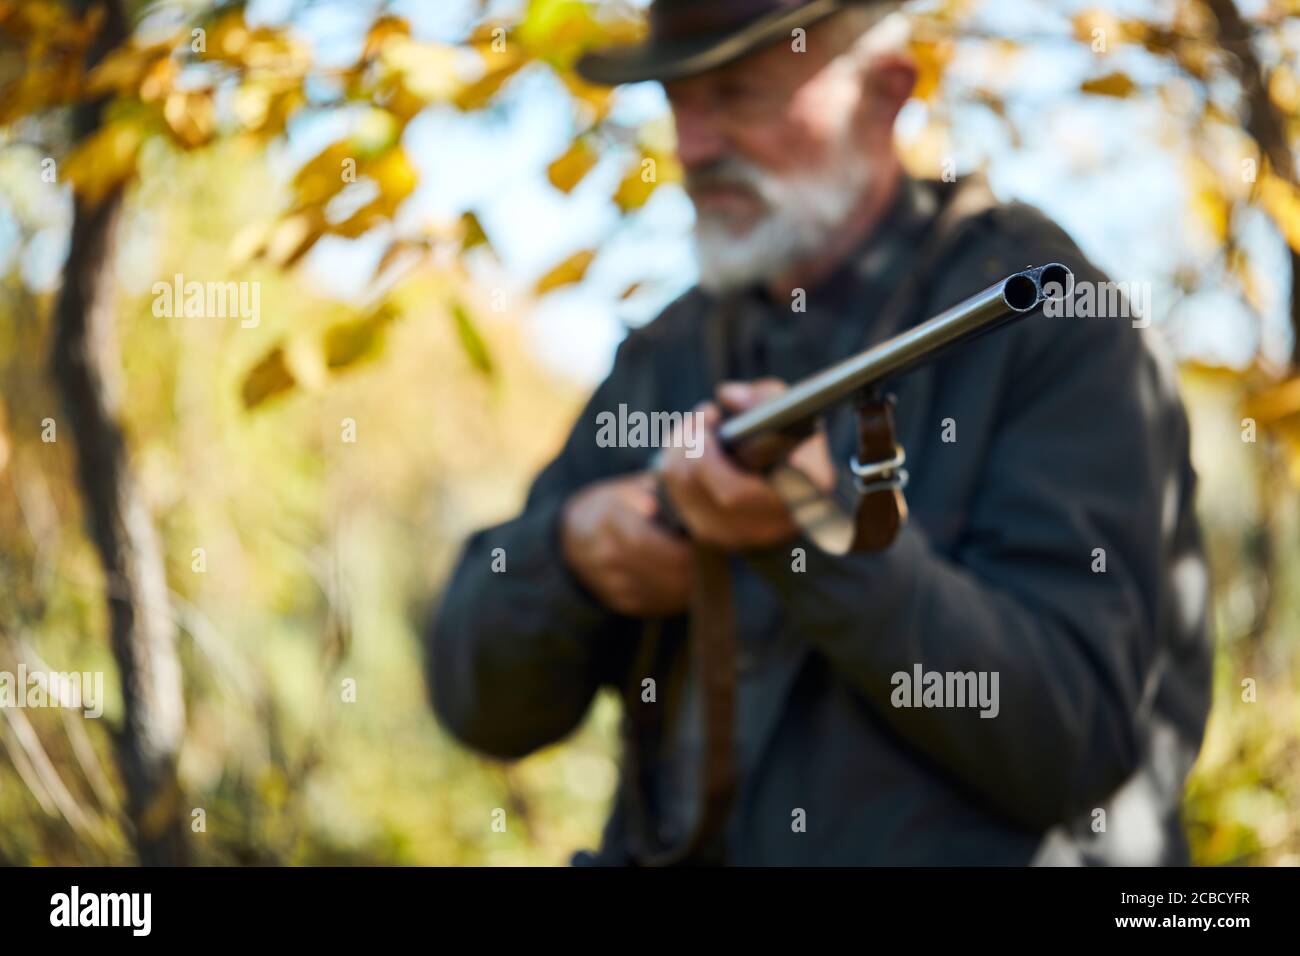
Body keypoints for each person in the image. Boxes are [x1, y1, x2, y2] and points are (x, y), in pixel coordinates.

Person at [426, 0, 1213, 865]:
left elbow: (1082, 743)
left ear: (885, 93)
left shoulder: (1048, 323)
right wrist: (572, 559)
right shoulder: (668, 354)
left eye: (740, 94)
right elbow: (477, 700)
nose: (692, 146)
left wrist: (823, 533)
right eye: (680, 100)